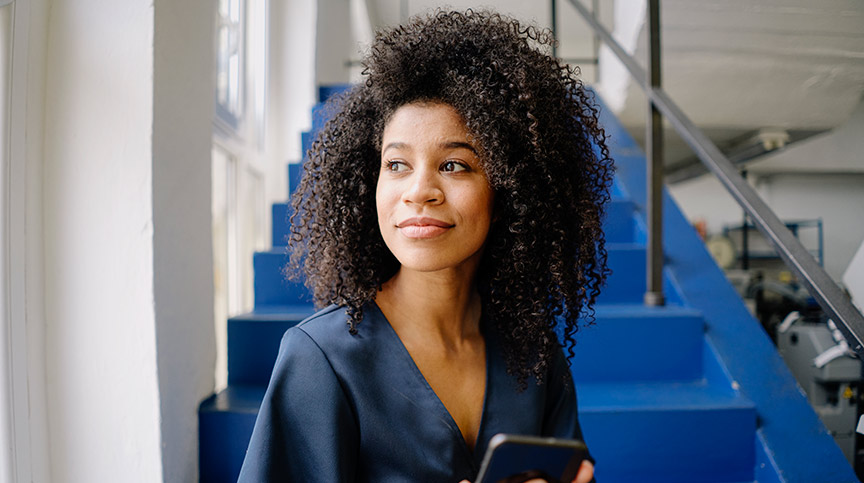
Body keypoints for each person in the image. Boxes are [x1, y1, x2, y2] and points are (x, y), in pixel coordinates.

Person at [238, 9, 613, 483]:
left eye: (454, 165)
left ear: (508, 193)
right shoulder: (321, 358)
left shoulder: (534, 356)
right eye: (396, 164)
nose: (419, 190)